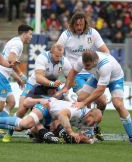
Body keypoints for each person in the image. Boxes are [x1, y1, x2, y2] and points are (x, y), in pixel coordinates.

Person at [62, 50, 132, 145]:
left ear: (95, 61)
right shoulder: (82, 60)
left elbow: (100, 90)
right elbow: (73, 72)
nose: (86, 68)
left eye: (88, 66)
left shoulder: (105, 66)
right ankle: (89, 128)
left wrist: (84, 103)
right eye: (85, 66)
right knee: (80, 98)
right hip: (97, 76)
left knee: (118, 104)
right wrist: (66, 87)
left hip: (115, 79)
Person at [56, 12, 109, 140]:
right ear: (72, 24)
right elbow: (57, 51)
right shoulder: (66, 35)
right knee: (85, 101)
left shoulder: (93, 33)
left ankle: (94, 125)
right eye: (76, 24)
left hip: (93, 74)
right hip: (76, 74)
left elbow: (106, 51)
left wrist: (104, 66)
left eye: (81, 24)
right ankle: (87, 129)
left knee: (102, 102)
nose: (79, 27)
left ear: (85, 24)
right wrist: (62, 69)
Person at [2, 44, 72, 142]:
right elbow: (39, 78)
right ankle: (9, 132)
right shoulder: (42, 58)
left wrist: (65, 89)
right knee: (22, 109)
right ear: (51, 53)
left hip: (52, 87)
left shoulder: (65, 62)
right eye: (57, 56)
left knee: (61, 108)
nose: (59, 58)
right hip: (34, 84)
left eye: (61, 56)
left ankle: (40, 131)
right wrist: (53, 83)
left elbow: (71, 79)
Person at [0, 97, 102, 144]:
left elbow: (89, 138)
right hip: (47, 107)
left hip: (51, 118)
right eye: (94, 121)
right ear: (90, 113)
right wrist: (71, 132)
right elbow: (62, 114)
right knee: (27, 123)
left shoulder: (87, 121)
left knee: (20, 127)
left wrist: (84, 138)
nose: (93, 124)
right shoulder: (79, 111)